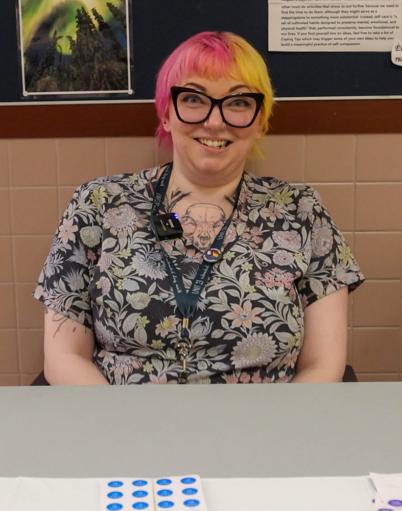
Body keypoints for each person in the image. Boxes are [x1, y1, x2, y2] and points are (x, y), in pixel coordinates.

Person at [34, 31, 364, 385]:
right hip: (122, 426)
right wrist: (127, 435)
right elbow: (63, 358)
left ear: (261, 121)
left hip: (268, 429)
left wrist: (270, 438)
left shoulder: (302, 211)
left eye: (238, 103)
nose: (215, 121)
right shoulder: (97, 204)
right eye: (193, 98)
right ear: (166, 113)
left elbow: (323, 365)